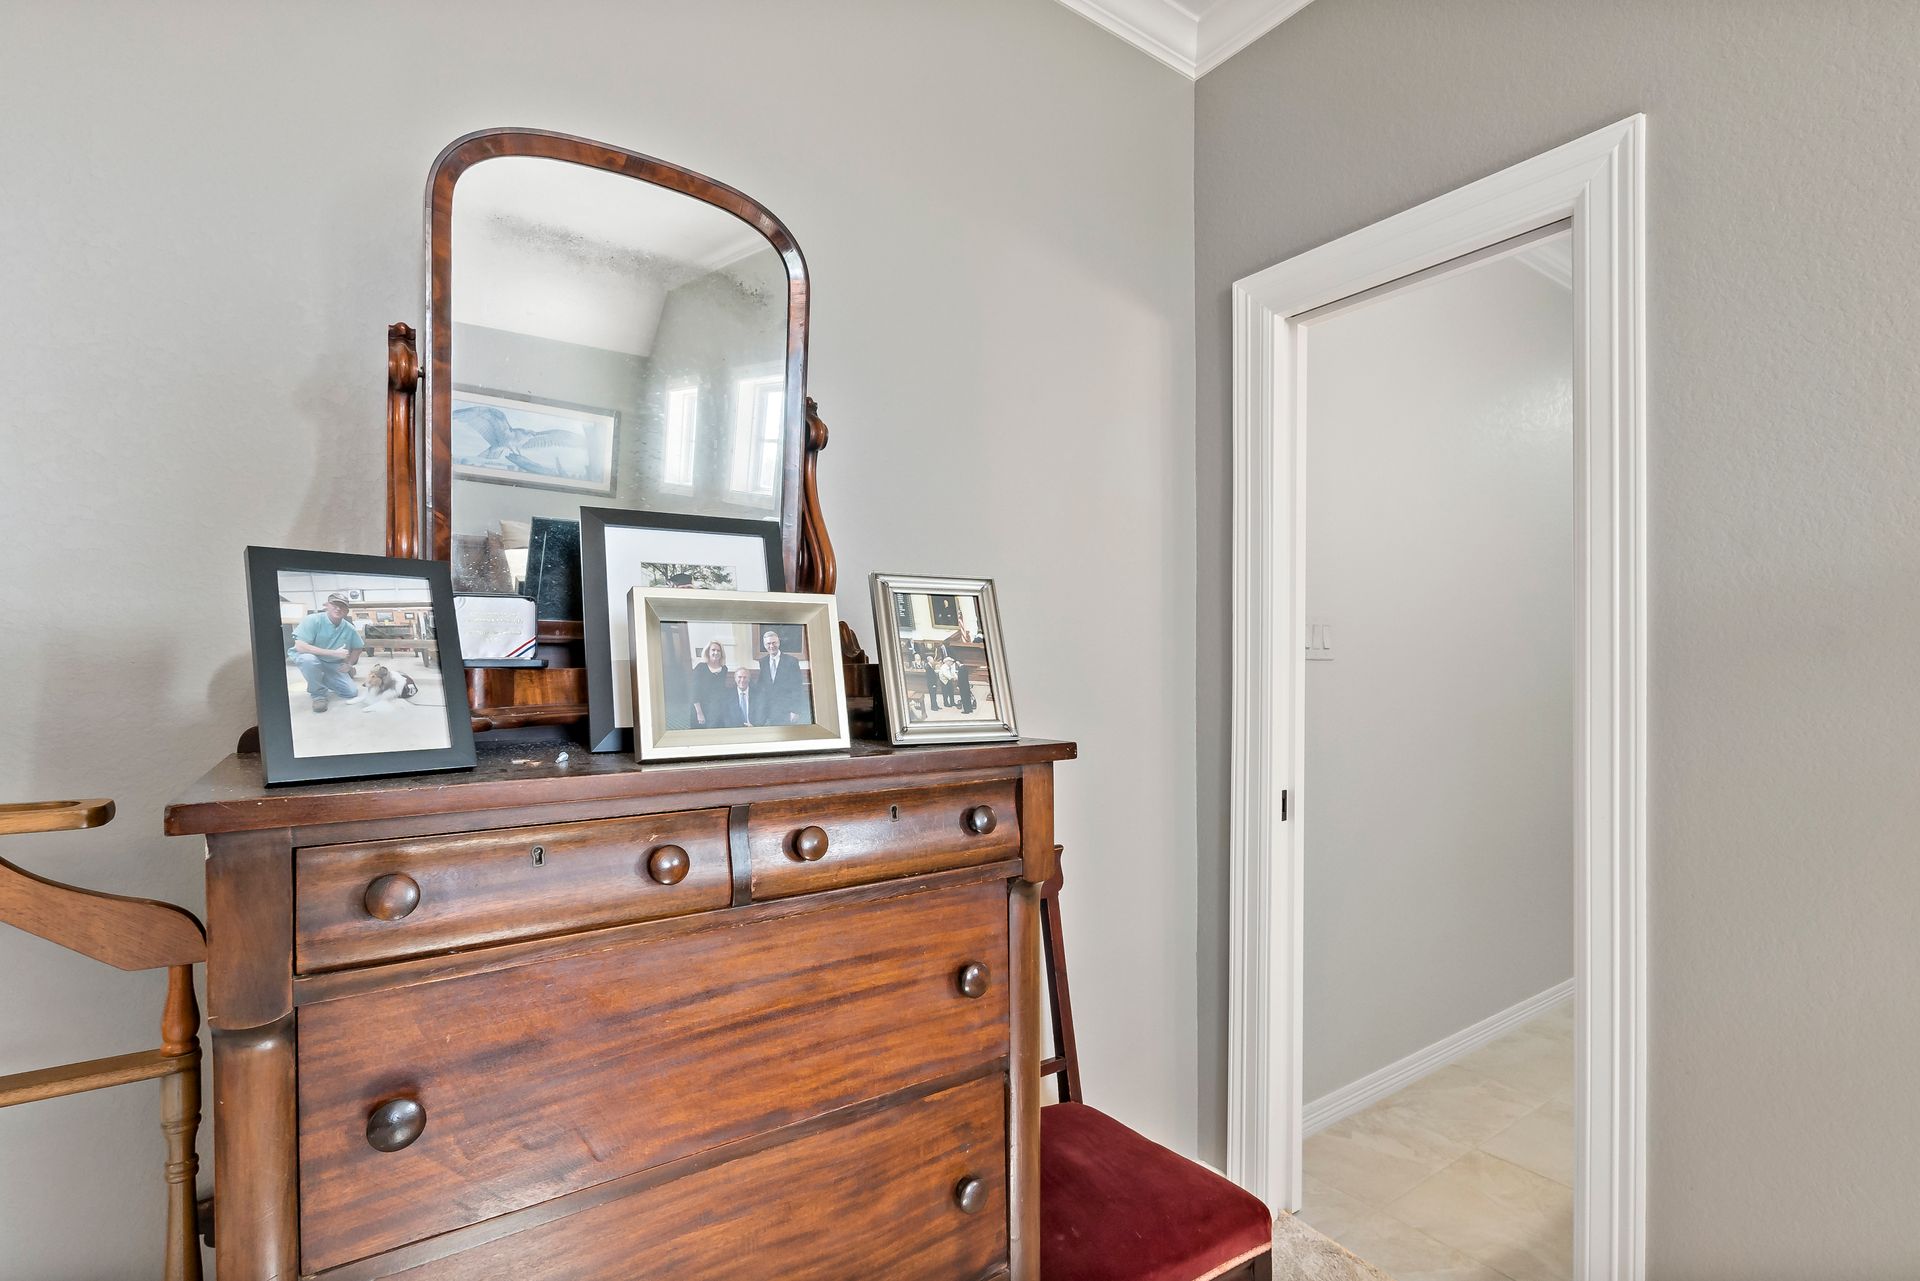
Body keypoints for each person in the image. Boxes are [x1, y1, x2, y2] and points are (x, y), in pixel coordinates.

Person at [290, 592, 364, 713]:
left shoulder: (349, 628)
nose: (338, 608)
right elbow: (300, 646)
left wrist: (349, 664)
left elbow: (358, 647)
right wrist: (333, 653)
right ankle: (318, 695)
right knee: (308, 660)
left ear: (347, 611)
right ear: (326, 605)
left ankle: (321, 677)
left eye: (342, 606)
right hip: (313, 658)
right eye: (334, 605)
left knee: (351, 692)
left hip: (333, 663)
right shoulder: (312, 620)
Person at [757, 628, 809, 725]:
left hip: (786, 710)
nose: (771, 646)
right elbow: (761, 686)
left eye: (774, 643)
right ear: (765, 645)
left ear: (779, 643)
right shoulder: (763, 662)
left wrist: (795, 710)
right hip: (768, 711)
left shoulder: (791, 661)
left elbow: (797, 687)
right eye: (768, 644)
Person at [688, 640, 731, 728]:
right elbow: (695, 692)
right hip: (701, 707)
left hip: (717, 708)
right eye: (713, 650)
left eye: (718, 650)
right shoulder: (700, 668)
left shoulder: (724, 669)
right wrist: (699, 713)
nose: (716, 652)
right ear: (708, 652)